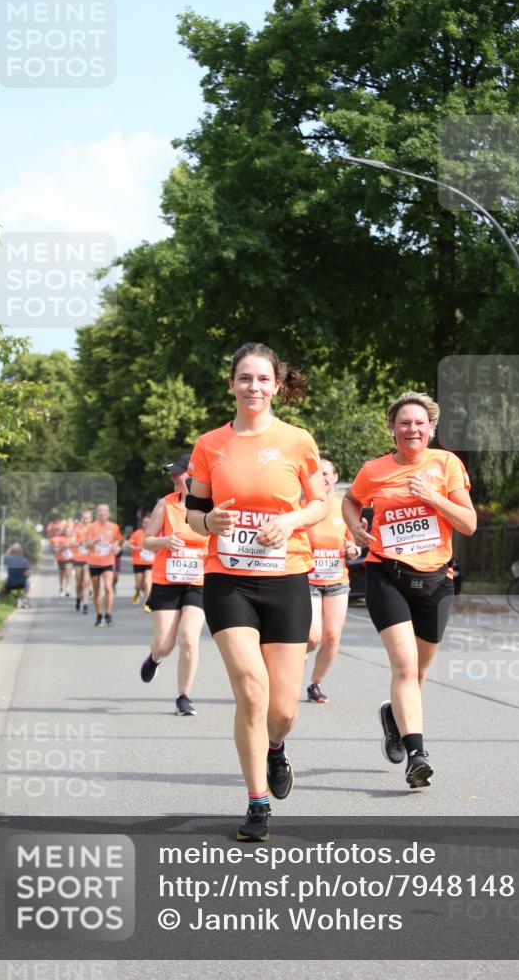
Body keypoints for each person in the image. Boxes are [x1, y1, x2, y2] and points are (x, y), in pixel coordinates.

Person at [187, 342, 327, 842]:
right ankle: (256, 802)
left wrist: (288, 520)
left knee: (283, 709)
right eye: (244, 378)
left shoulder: (296, 441)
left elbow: (320, 505)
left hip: (286, 576)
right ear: (231, 385)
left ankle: (275, 749)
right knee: (250, 687)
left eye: (262, 379)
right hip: (228, 579)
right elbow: (191, 513)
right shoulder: (209, 445)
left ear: (276, 385)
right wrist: (210, 519)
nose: (253, 387)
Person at [342, 391, 476, 790]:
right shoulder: (375, 470)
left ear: (431, 428)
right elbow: (350, 501)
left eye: (420, 423)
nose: (412, 429)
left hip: (436, 578)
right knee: (403, 666)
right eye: (404, 423)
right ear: (392, 428)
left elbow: (468, 523)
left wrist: (433, 497)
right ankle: (417, 755)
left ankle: (393, 718)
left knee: (418, 671)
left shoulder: (447, 464)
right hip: (387, 572)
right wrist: (354, 526)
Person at [139, 458, 208, 715]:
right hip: (166, 581)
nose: (173, 479)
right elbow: (147, 542)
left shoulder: (210, 506)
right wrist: (165, 541)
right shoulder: (165, 504)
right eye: (171, 476)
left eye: (177, 474)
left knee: (189, 638)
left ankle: (184, 696)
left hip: (198, 581)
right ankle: (155, 658)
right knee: (164, 645)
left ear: (192, 475)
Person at [305, 459, 359, 703]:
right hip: (308, 580)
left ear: (335, 477)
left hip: (337, 581)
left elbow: (354, 543)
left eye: (327, 473)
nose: (323, 478)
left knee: (332, 637)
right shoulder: (305, 507)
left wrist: (353, 549)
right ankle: (295, 655)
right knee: (312, 636)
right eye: (319, 474)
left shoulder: (342, 508)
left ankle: (314, 683)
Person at [85, 504, 123, 627]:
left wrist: (117, 546)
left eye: (105, 510)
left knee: (108, 587)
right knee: (96, 591)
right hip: (94, 562)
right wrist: (94, 541)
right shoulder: (91, 527)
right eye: (100, 510)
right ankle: (98, 615)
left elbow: (118, 540)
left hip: (108, 561)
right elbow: (86, 544)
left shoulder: (114, 527)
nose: (102, 513)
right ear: (97, 513)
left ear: (108, 513)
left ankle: (108, 614)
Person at [126, 515, 154, 605]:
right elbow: (128, 544)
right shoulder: (137, 533)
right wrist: (136, 548)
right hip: (138, 561)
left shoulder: (155, 532)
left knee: (147, 582)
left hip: (150, 561)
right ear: (142, 523)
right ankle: (137, 593)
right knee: (138, 585)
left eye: (148, 522)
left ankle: (147, 603)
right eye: (144, 522)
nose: (146, 524)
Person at [72, 510, 92, 614]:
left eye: (88, 518)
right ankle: (78, 598)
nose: (86, 520)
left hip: (90, 559)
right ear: (82, 518)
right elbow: (72, 542)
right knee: (79, 583)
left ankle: (85, 605)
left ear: (91, 519)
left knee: (86, 582)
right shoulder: (77, 528)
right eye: (84, 518)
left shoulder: (94, 529)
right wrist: (81, 543)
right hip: (78, 558)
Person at [0, 543, 30, 607]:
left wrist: (10, 548)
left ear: (12, 551)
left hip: (10, 583)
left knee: (3, 583)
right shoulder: (25, 561)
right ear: (21, 552)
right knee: (27, 582)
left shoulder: (9, 558)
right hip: (22, 583)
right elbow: (27, 574)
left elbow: (5, 555)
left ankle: (1, 601)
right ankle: (25, 597)